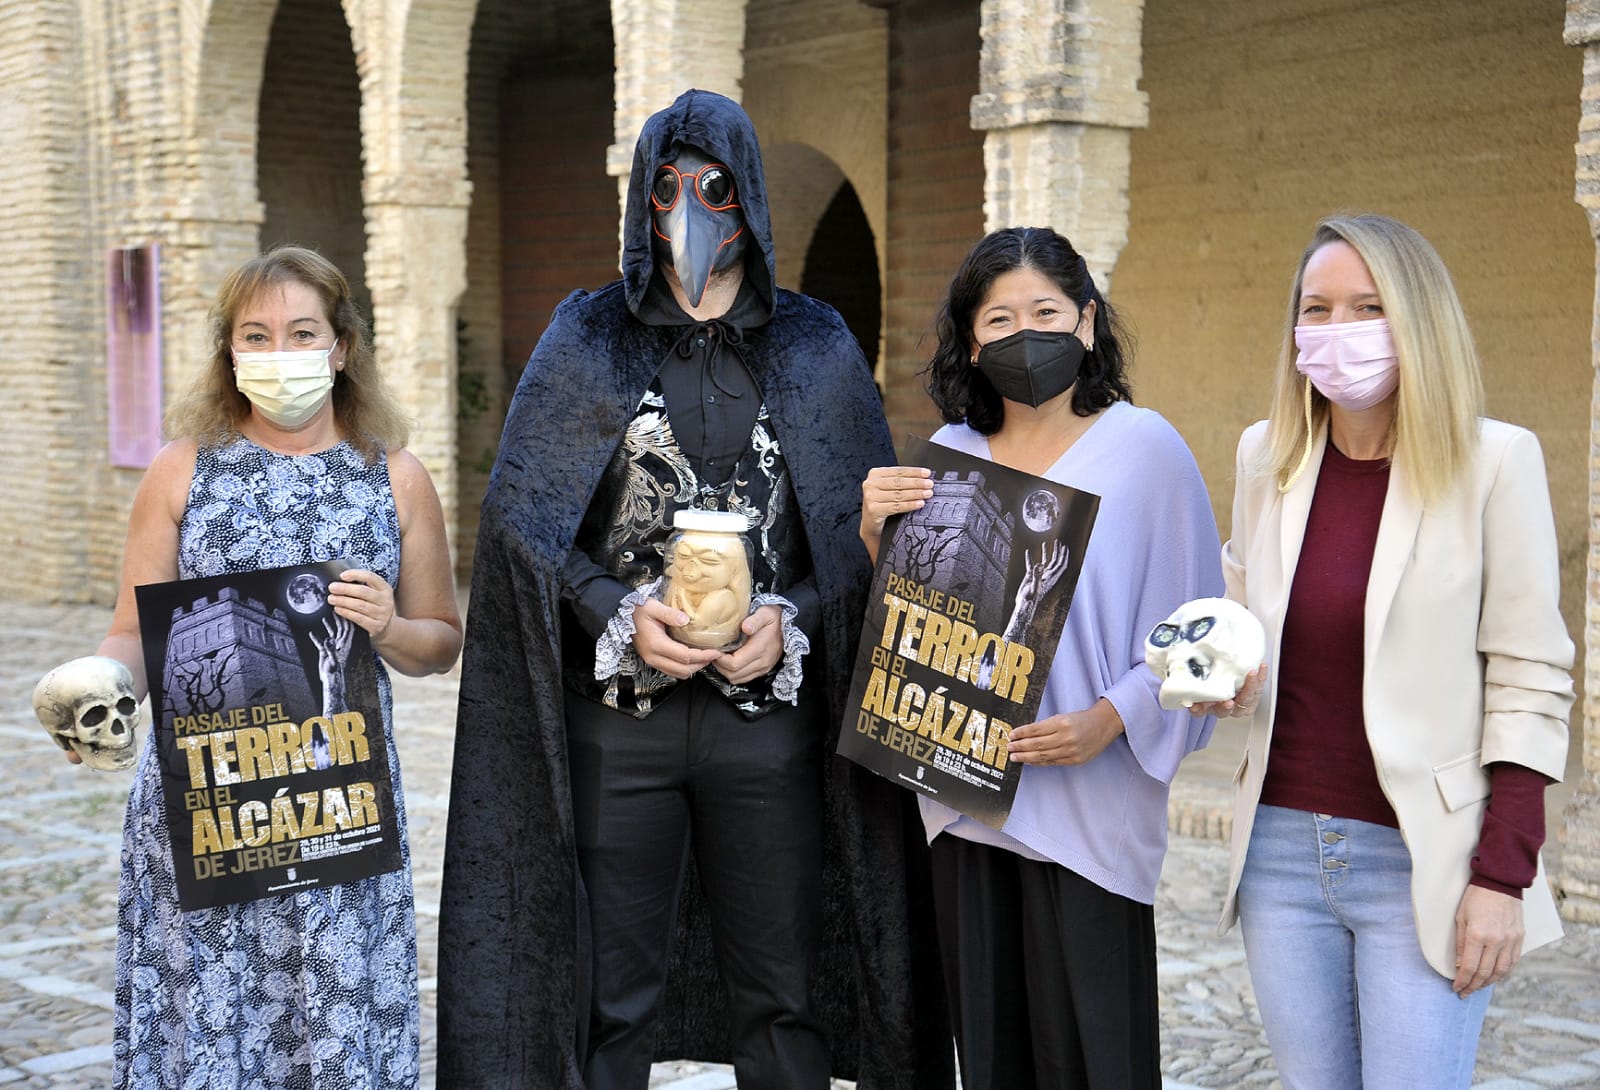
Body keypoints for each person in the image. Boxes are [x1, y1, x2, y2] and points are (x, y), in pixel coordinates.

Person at [436, 89, 952, 1090]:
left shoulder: (812, 345)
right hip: (617, 723)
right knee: (609, 998)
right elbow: (523, 521)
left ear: (747, 194)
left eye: (711, 187)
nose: (688, 211)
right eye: (665, 186)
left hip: (767, 725)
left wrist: (790, 620)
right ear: (641, 196)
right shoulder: (586, 334)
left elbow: (855, 537)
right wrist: (612, 610)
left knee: (782, 995)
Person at [65, 244, 463, 1088]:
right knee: (211, 1031)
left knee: (333, 1028)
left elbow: (441, 640)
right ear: (231, 353)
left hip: (338, 808)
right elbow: (133, 632)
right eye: (257, 334)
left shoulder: (395, 480)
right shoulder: (181, 471)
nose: (280, 353)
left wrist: (390, 626)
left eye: (302, 331)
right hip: (205, 809)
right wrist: (97, 688)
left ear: (342, 347)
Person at [1194, 213, 1573, 1089]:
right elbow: (1243, 610)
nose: (1338, 333)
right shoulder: (1268, 457)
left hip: (1426, 857)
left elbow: (1529, 676)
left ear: (1420, 323)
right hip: (1280, 854)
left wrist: (1502, 877)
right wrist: (1220, 672)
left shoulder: (1495, 462)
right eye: (1316, 309)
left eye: (1367, 308)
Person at [861, 225, 1224, 1089]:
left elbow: (1202, 636)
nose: (1023, 333)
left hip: (1089, 813)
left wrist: (1110, 719)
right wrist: (878, 533)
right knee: (990, 1059)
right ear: (971, 340)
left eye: (1046, 311)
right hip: (966, 804)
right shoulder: (950, 457)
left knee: (1094, 1058)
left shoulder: (1147, 452)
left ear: (1087, 323)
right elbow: (919, 621)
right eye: (998, 319)